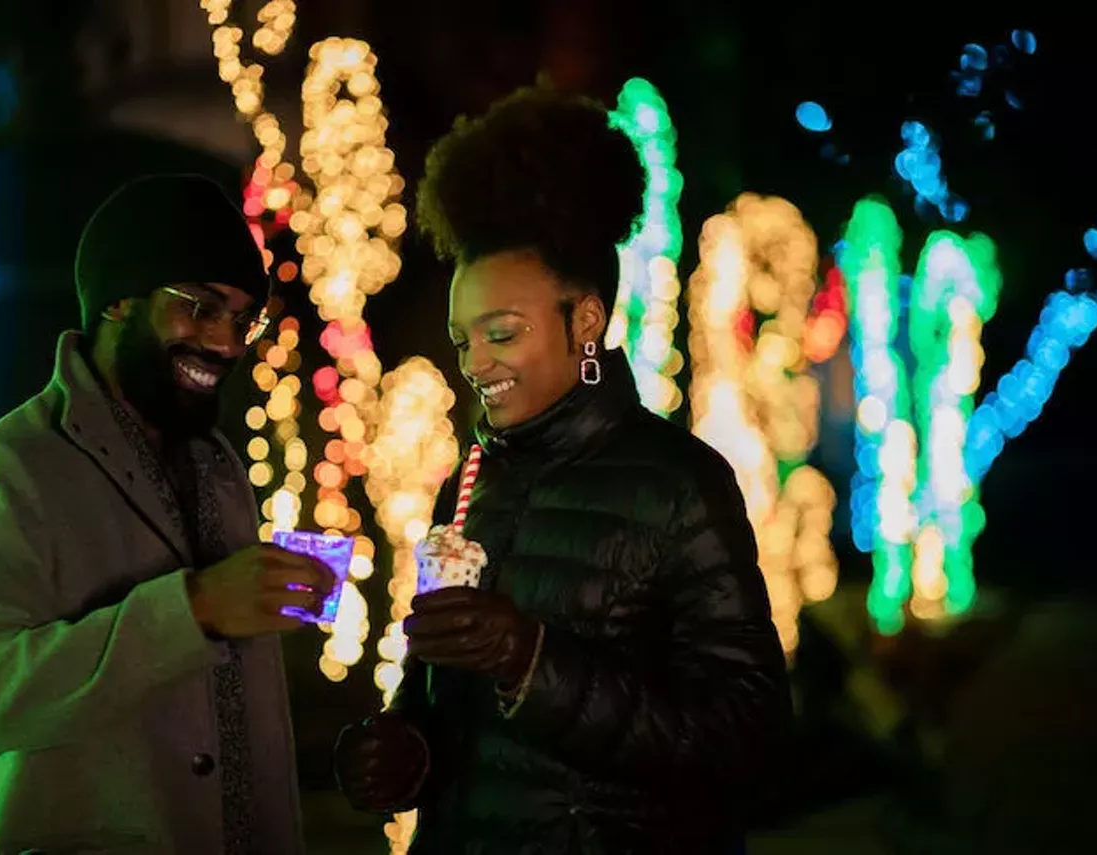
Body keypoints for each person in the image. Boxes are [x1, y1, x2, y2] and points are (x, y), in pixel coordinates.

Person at [333, 88, 792, 853]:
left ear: (585, 321)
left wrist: (531, 659)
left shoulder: (679, 483)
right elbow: (435, 678)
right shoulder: (471, 474)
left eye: (501, 333)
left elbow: (749, 734)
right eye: (462, 339)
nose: (476, 363)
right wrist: (404, 747)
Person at [0, 174, 336, 855]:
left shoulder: (220, 465)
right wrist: (192, 609)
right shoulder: (9, 463)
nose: (228, 343)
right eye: (200, 307)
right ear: (119, 299)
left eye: (242, 318)